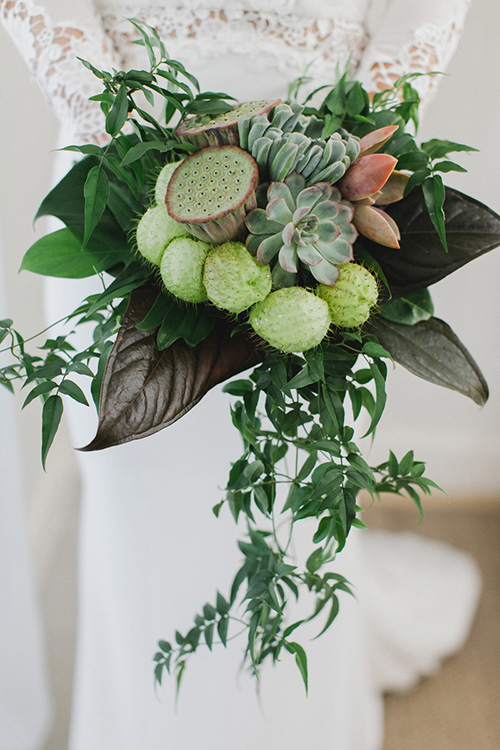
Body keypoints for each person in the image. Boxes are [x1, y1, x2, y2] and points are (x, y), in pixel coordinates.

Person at [0, 2, 480, 749]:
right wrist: (130, 150)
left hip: (322, 192)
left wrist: (345, 151)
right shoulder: (123, 162)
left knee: (297, 506)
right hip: (122, 183)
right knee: (142, 510)